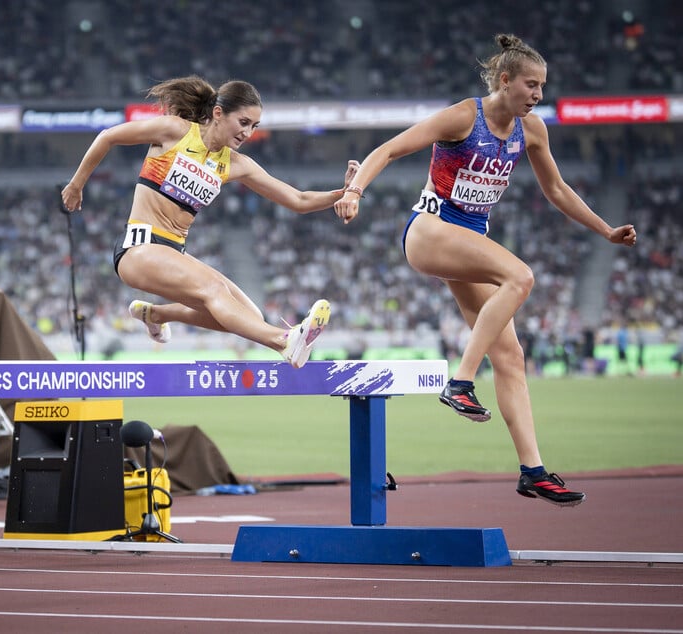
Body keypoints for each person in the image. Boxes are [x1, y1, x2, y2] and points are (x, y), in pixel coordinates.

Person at [334, 34, 637, 507]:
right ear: (504, 80)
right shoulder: (464, 116)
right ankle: (460, 382)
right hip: (431, 230)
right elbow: (390, 149)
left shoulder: (532, 129)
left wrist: (605, 230)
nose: (538, 95)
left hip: (469, 241)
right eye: (531, 85)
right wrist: (355, 192)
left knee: (512, 356)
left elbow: (556, 190)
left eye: (542, 87)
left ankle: (533, 471)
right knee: (521, 277)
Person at [62, 76, 358, 367]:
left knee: (248, 316)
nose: (248, 133)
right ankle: (284, 341)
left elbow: (299, 200)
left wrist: (345, 193)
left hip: (173, 250)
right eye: (243, 122)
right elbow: (108, 136)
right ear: (218, 113)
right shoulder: (176, 131)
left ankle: (157, 314)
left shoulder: (235, 163)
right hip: (138, 247)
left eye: (254, 127)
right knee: (215, 292)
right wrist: (76, 185)